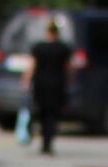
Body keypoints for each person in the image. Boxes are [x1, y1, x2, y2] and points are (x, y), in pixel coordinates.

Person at [23, 20, 72, 155]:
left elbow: (32, 66)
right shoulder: (63, 48)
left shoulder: (39, 47)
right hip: (57, 85)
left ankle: (44, 142)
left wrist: (26, 80)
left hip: (41, 85)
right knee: (53, 115)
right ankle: (49, 142)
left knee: (43, 114)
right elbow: (68, 68)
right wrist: (69, 81)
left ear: (47, 32)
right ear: (57, 32)